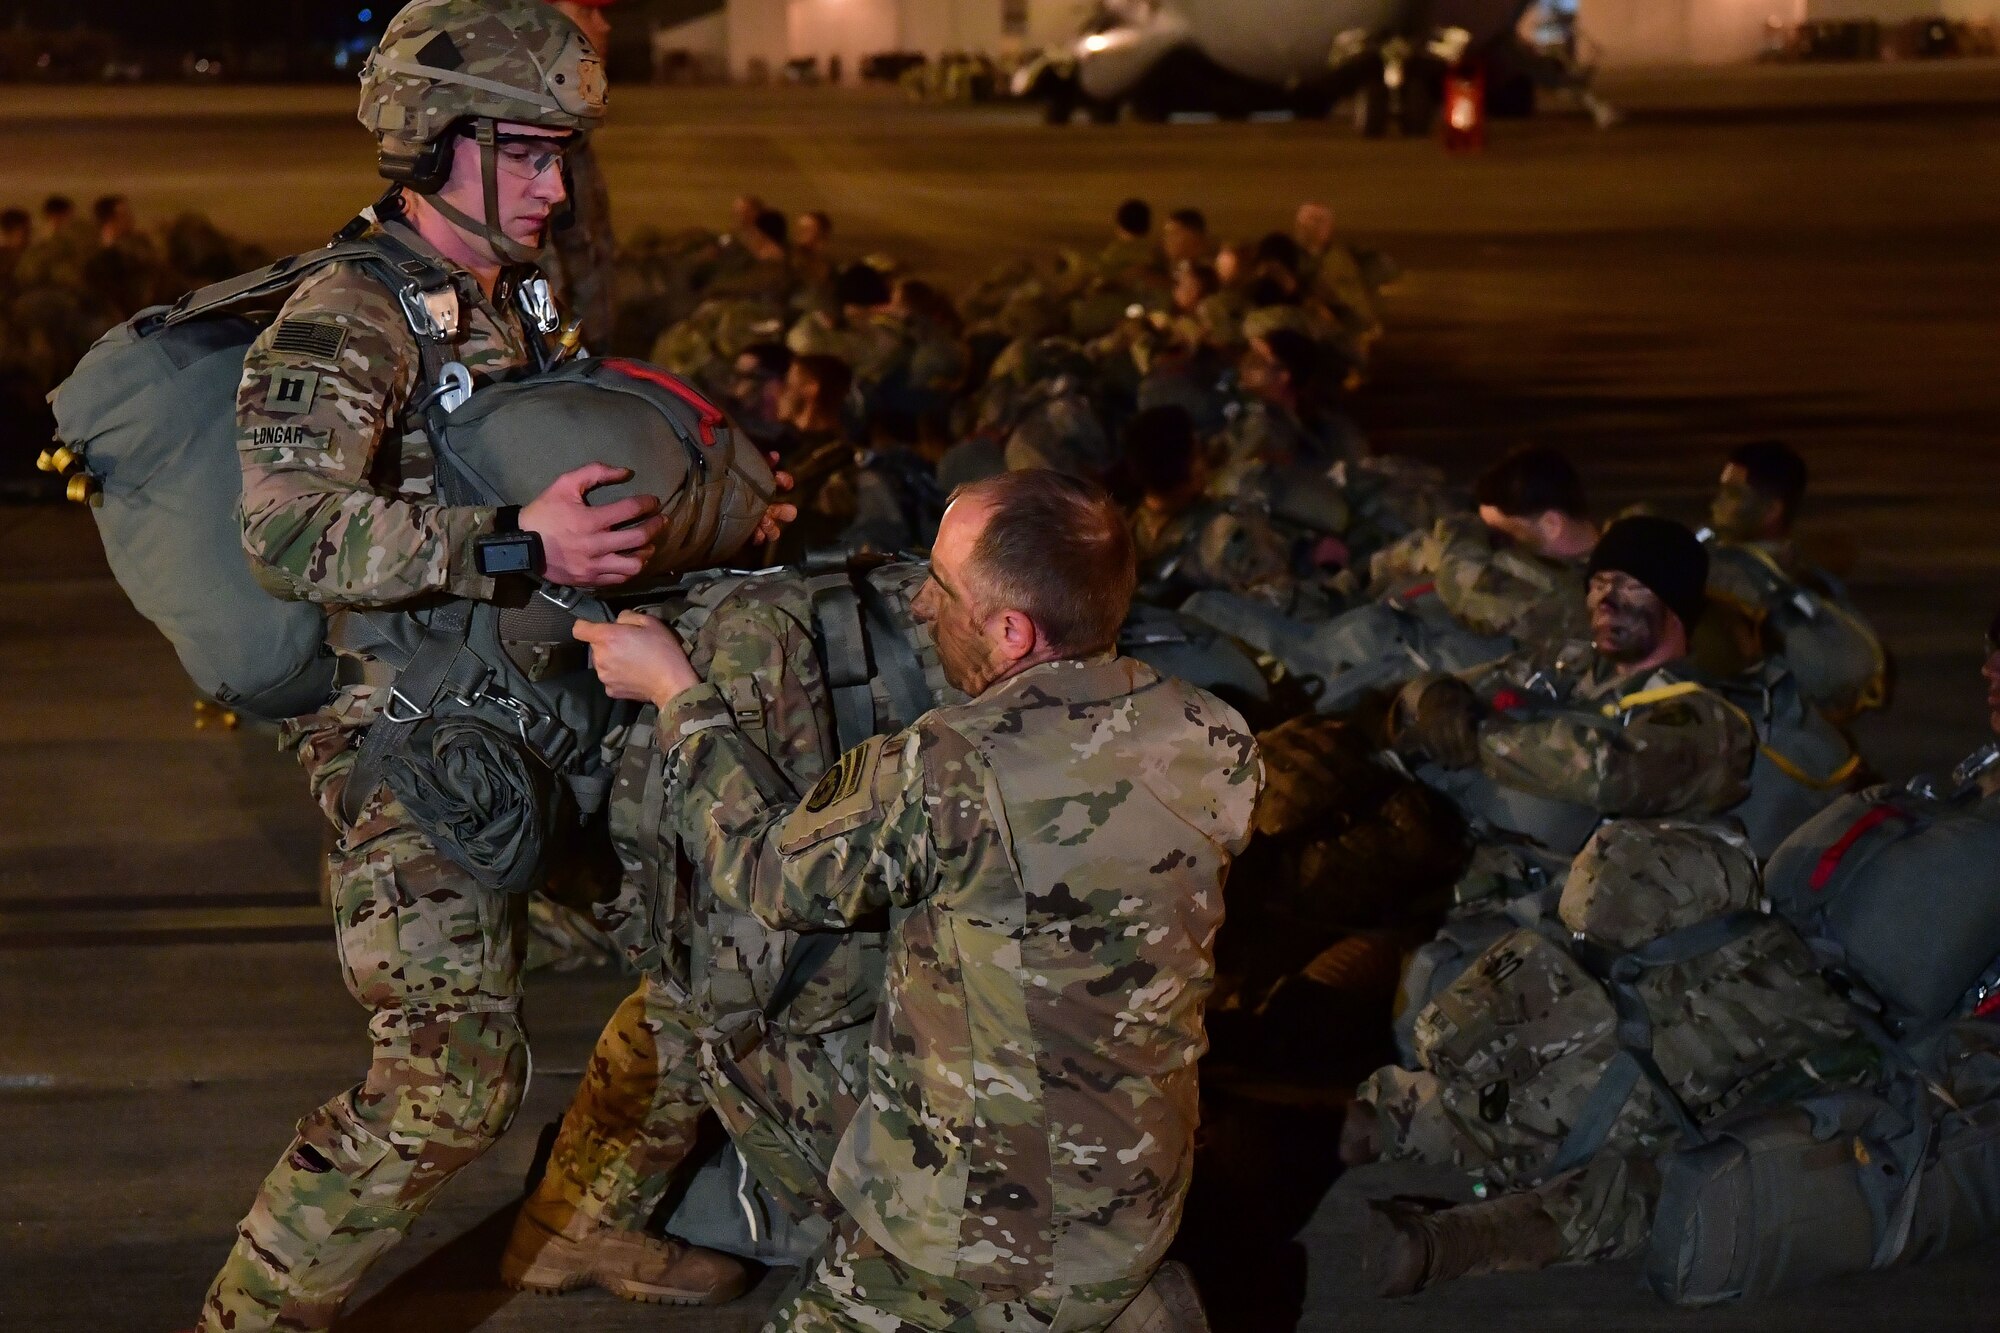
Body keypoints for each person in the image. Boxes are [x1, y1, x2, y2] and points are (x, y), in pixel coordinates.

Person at [192, 4, 775, 1327]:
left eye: (563, 154)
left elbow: (541, 428)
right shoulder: (344, 317)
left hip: (544, 718)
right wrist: (513, 542)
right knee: (446, 1084)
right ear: (438, 142)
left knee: (724, 952)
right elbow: (284, 531)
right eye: (527, 153)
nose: (555, 184)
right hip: (412, 748)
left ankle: (576, 1228)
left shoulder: (512, 290)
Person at [574, 469, 1263, 1330]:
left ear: (1013, 630)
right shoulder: (1216, 733)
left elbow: (766, 872)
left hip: (986, 1237)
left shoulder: (950, 764)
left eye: (941, 588)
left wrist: (677, 696)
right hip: (1140, 1193)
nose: (924, 608)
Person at [1391, 516, 1756, 851]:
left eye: (1630, 586)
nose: (1605, 601)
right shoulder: (1571, 662)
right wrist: (1433, 697)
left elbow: (1608, 775)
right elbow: (1460, 688)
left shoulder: (1705, 716)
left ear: (1675, 606)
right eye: (1598, 584)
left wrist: (1478, 736)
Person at [542, 0, 619, 349]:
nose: (604, 26)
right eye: (588, 12)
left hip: (591, 343)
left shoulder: (573, 130)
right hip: (562, 361)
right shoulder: (533, 136)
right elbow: (540, 277)